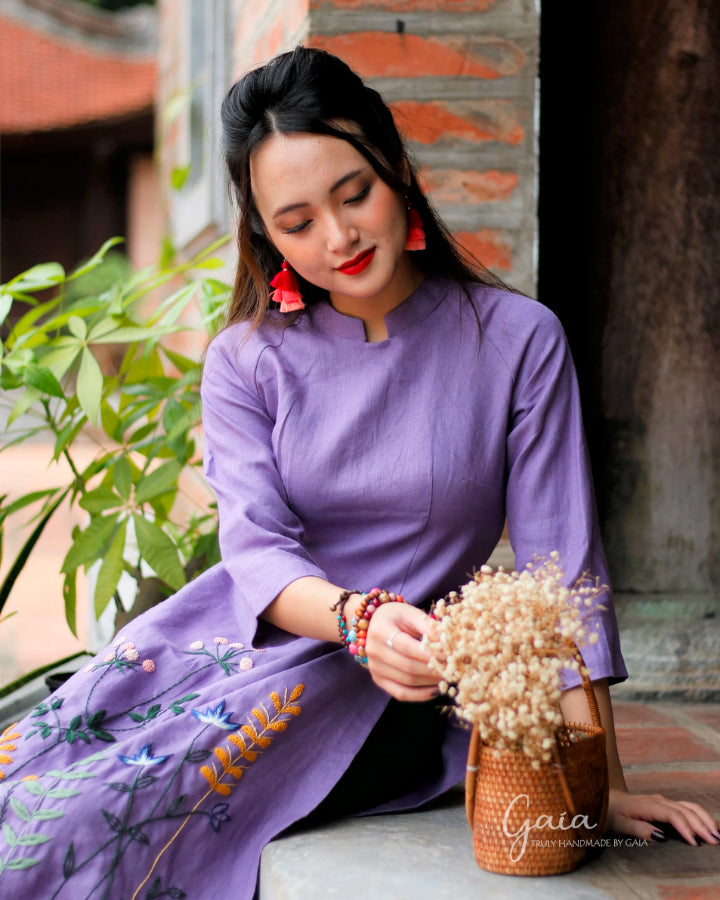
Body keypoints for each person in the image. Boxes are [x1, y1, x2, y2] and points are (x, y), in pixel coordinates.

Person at [0, 46, 717, 899]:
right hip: (223, 643)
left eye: (355, 195)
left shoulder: (518, 341)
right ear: (264, 232)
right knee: (30, 787)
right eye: (297, 222)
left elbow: (562, 574)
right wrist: (357, 618)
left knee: (92, 826)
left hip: (392, 691)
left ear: (398, 171)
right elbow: (256, 551)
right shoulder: (244, 361)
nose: (337, 238)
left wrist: (594, 779)